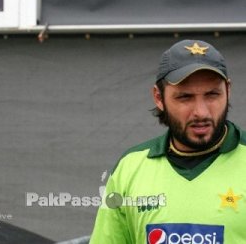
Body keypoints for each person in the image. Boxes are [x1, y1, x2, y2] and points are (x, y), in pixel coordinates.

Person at [89, 39, 246, 244]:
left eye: (212, 95)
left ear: (228, 91)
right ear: (158, 97)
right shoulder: (130, 168)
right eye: (185, 97)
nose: (201, 112)